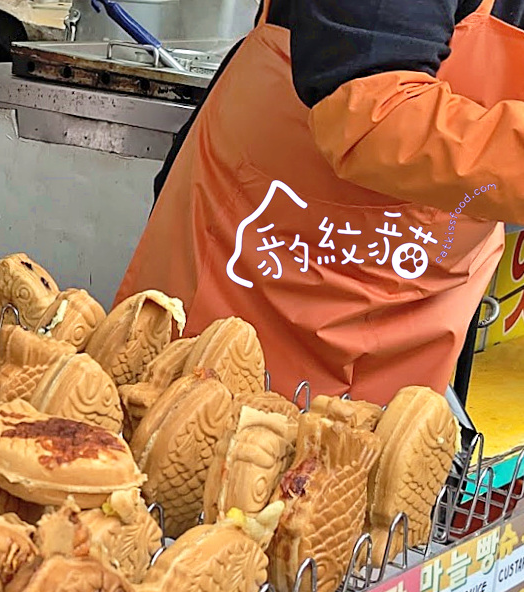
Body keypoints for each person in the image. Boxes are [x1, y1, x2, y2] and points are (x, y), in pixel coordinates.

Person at [114, 0, 524, 405]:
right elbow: (371, 111)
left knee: (372, 457)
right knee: (183, 437)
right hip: (268, 253)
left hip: (422, 288)